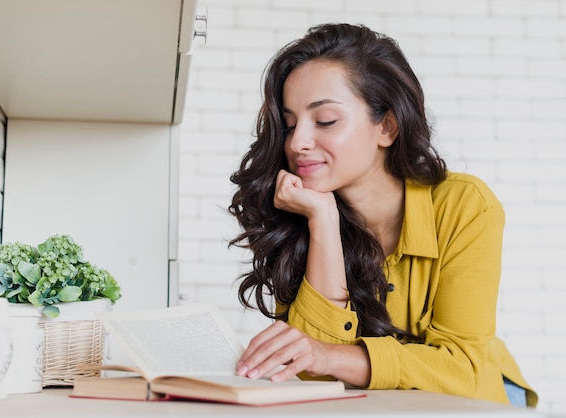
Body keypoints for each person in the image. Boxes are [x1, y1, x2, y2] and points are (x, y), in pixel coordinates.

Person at [228, 23, 537, 407]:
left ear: (386, 127)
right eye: (290, 125)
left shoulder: (465, 205)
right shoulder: (302, 213)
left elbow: (459, 369)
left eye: (324, 120)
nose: (297, 142)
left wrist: (331, 357)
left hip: (474, 400)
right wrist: (323, 221)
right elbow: (312, 372)